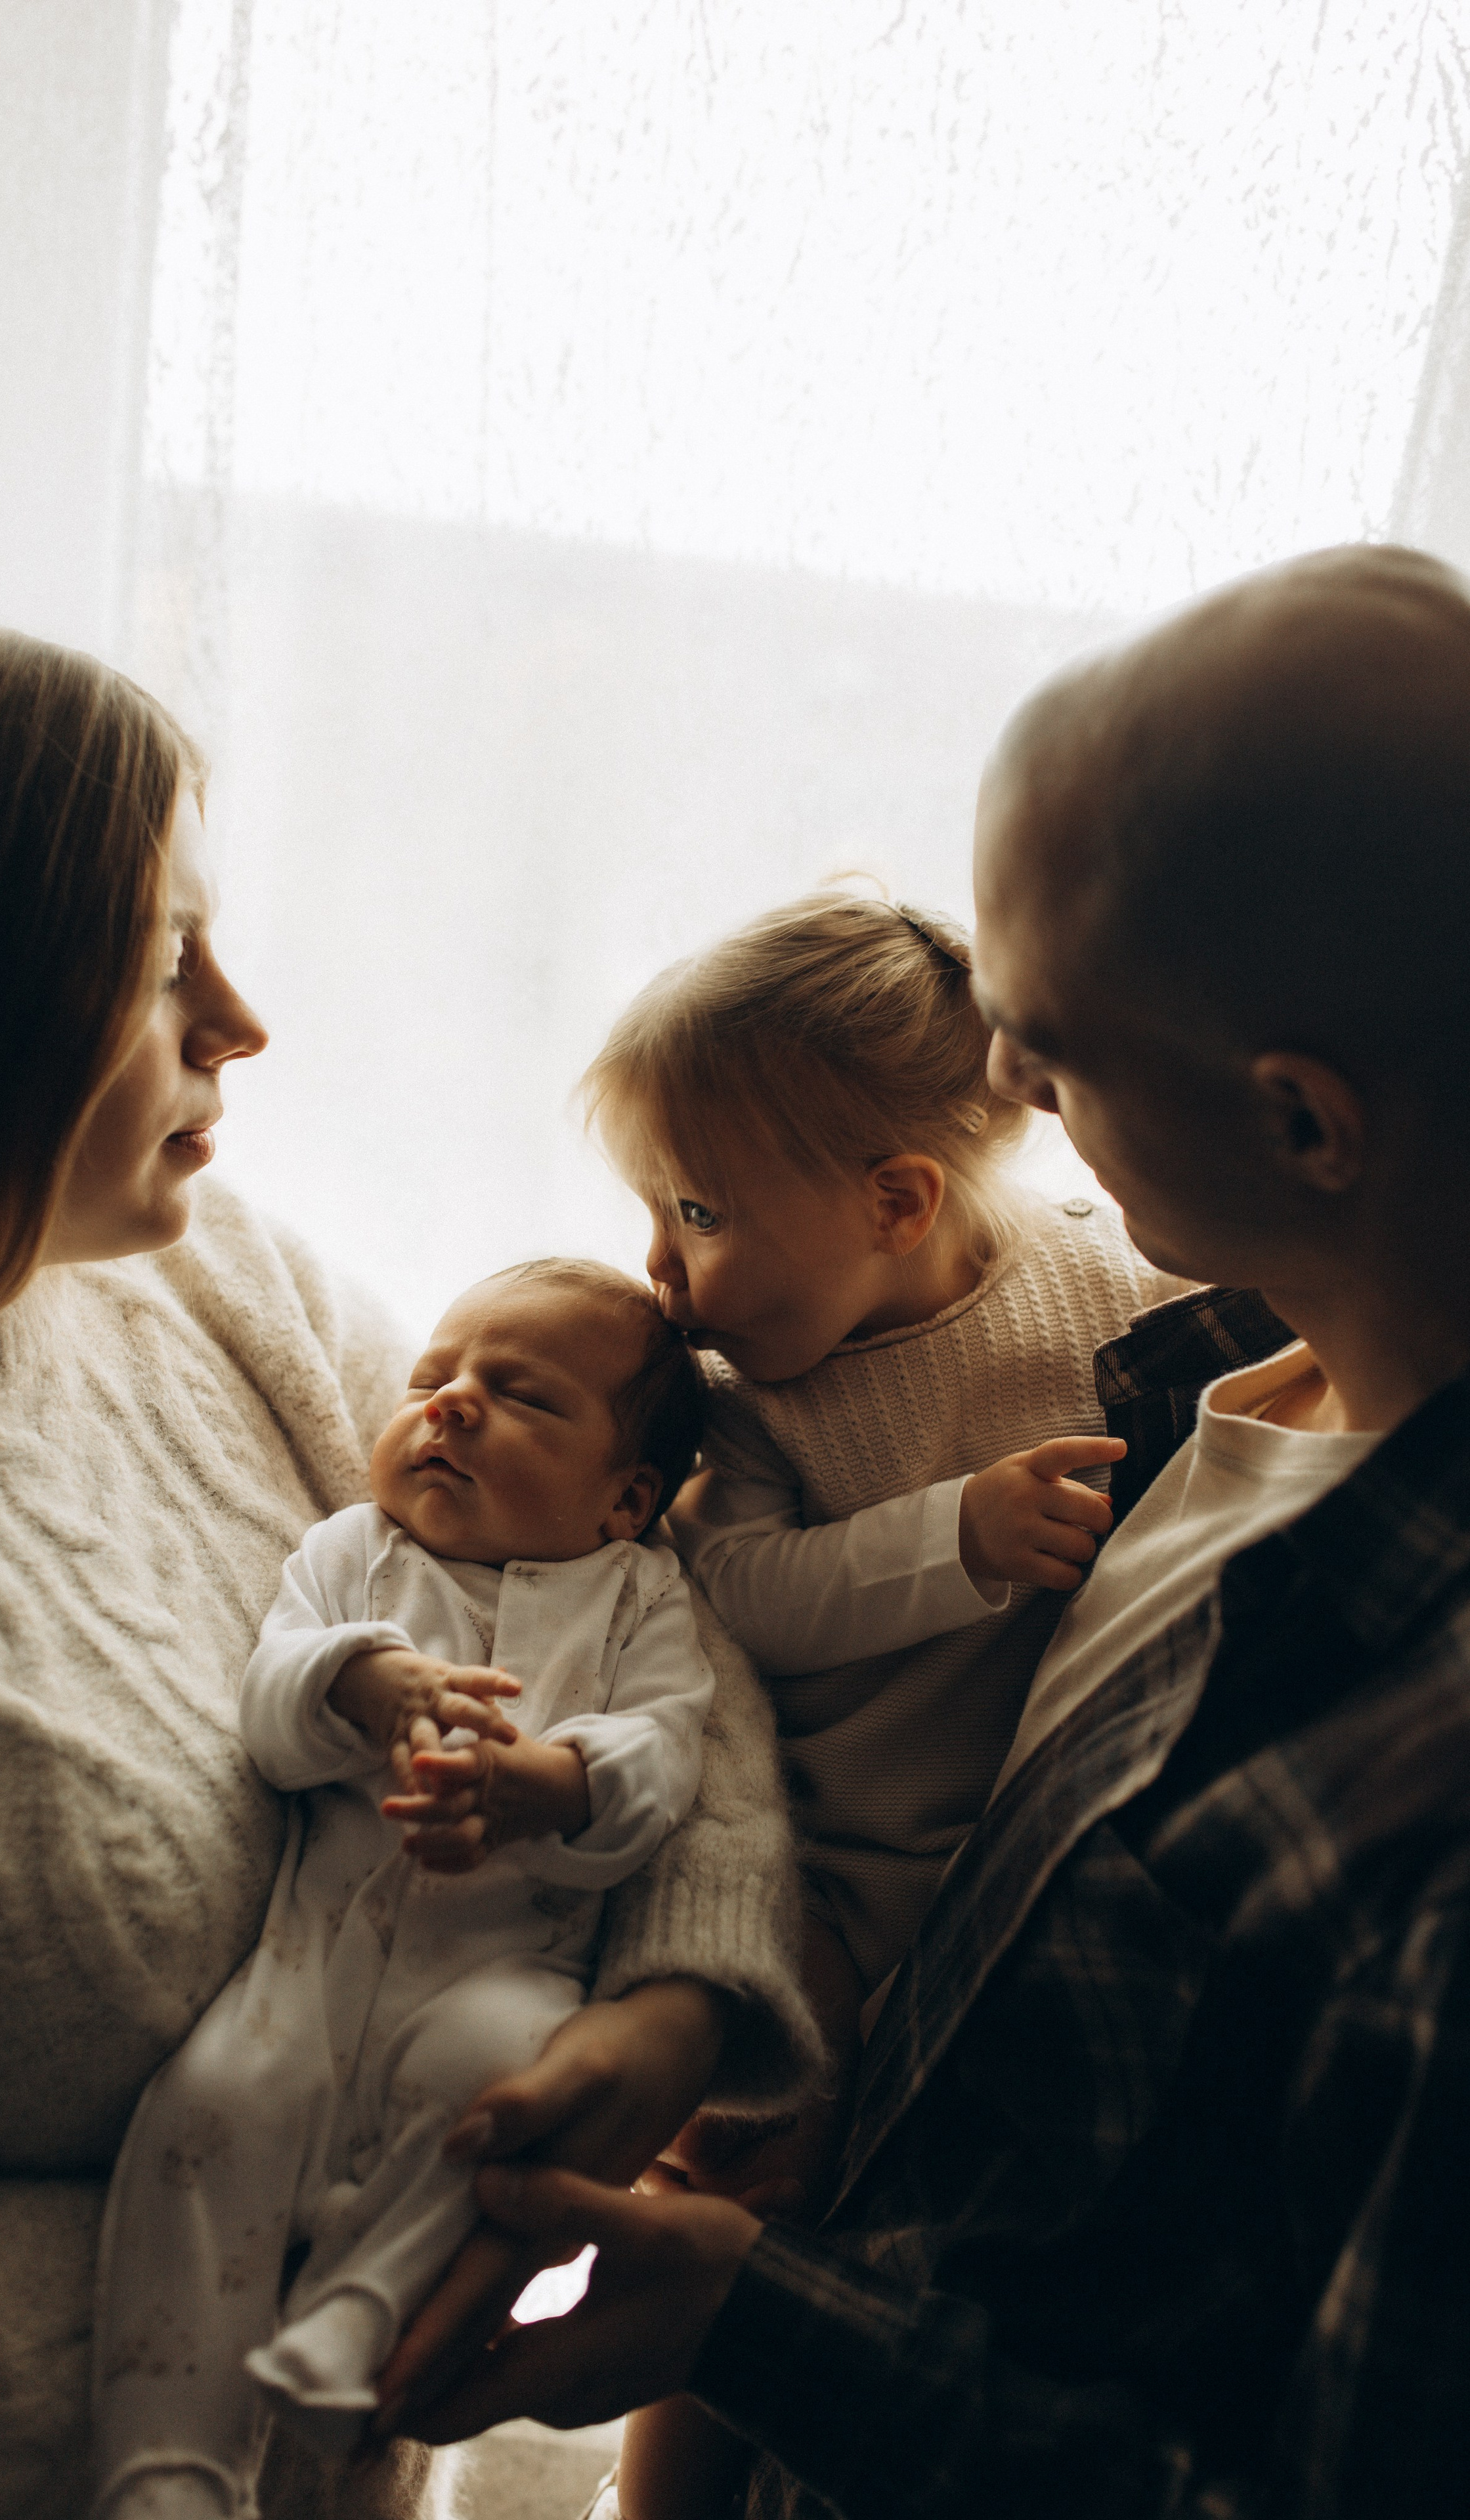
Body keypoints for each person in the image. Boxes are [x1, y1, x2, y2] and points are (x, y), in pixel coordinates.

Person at [379, 544, 1470, 2519]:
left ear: (1305, 1124)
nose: (997, 1089)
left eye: (1044, 1037)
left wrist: (757, 2315)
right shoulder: (1209, 1384)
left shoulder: (1427, 1816)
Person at [0, 592, 821, 2520]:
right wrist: (243, 2326)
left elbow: (636, 1607)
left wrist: (680, 2003)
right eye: (162, 950)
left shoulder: (218, 1277)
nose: (242, 1019)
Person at [580, 894, 1180, 2515]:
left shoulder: (1102, 1288)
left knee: (889, 2246)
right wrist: (955, 1538)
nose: (658, 1267)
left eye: (694, 1210)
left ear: (896, 1198)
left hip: (1008, 1864)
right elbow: (737, 1594)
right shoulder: (751, 1402)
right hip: (829, 1868)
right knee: (748, 2194)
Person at [93, 1261, 714, 2518]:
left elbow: (669, 1752)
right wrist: (356, 1682)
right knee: (208, 2110)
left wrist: (558, 1778)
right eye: (432, 1379)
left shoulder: (641, 1596)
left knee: (494, 2093)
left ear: (625, 1498)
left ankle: (359, 2310)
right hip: (306, 1961)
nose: (450, 1405)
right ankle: (168, 2455)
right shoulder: (355, 1553)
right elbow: (270, 1706)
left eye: (520, 1396)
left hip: (504, 1970)